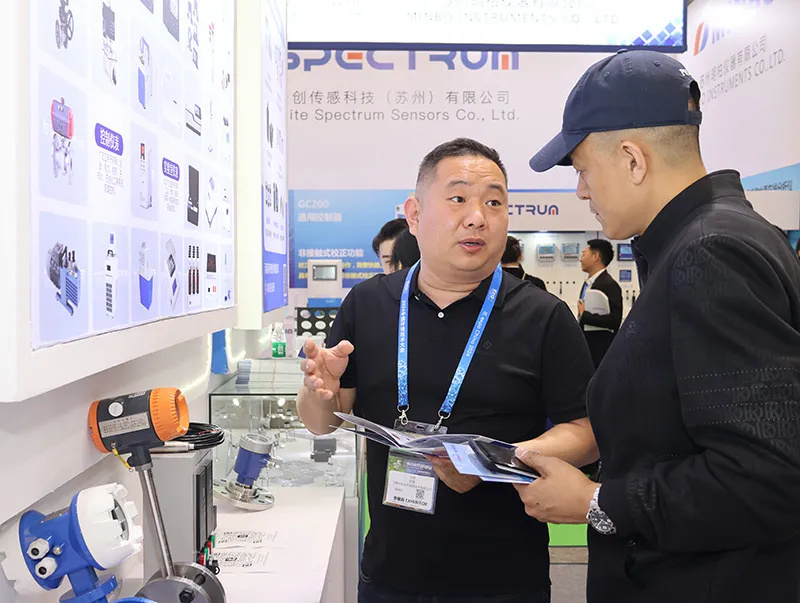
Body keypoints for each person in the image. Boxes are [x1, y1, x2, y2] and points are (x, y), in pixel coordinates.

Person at [514, 48, 800, 603]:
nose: (581, 191)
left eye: (582, 169)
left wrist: (597, 502)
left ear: (632, 160)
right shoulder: (706, 240)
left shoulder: (710, 252)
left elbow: (766, 476)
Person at [297, 137, 598, 602]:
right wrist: (319, 391)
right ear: (415, 215)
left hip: (503, 578)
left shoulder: (543, 316)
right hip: (390, 573)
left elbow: (586, 432)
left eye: (494, 202)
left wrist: (492, 462)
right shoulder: (369, 303)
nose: (477, 216)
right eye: (458, 198)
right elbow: (323, 422)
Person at [578, 238, 622, 367]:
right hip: (588, 348)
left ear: (595, 256)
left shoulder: (609, 285)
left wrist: (584, 316)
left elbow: (614, 321)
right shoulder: (588, 283)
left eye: (584, 254)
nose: (580, 259)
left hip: (600, 351)